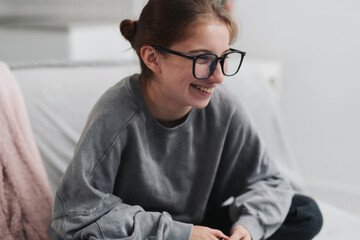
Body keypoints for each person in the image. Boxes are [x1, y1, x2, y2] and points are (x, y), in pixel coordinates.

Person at [51, 0, 323, 239]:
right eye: (203, 58)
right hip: (144, 234)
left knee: (305, 212)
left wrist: (249, 227)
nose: (218, 76)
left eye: (224, 58)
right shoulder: (116, 114)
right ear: (152, 58)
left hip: (199, 227)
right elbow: (75, 214)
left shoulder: (224, 107)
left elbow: (270, 183)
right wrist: (180, 234)